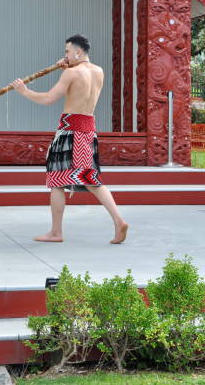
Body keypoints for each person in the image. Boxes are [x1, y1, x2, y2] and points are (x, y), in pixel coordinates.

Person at [12, 34, 128, 244]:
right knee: (92, 179)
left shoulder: (72, 74)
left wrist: (25, 91)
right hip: (88, 131)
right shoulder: (98, 71)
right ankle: (118, 221)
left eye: (67, 51)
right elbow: (80, 90)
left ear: (78, 51)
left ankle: (57, 232)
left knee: (57, 181)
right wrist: (67, 68)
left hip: (69, 131)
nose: (65, 55)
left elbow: (48, 99)